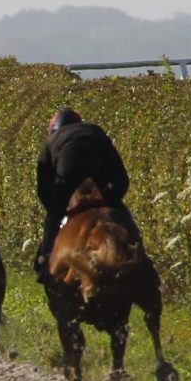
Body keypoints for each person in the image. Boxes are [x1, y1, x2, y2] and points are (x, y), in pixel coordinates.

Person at [34, 108, 131, 279]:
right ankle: (139, 259)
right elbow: (121, 178)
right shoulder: (97, 133)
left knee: (52, 218)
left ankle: (46, 263)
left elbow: (44, 190)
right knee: (123, 217)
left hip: (67, 180)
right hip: (103, 182)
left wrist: (57, 209)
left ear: (52, 130)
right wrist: (112, 199)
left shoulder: (52, 142)